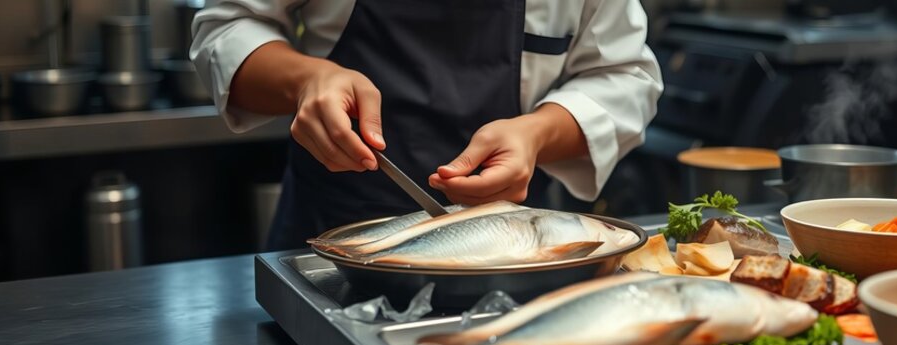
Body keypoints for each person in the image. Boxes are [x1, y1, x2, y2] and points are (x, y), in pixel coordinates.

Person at [191, 0, 663, 250]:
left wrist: (536, 134)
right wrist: (309, 80)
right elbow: (227, 28)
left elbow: (625, 76)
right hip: (331, 242)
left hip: (513, 249)